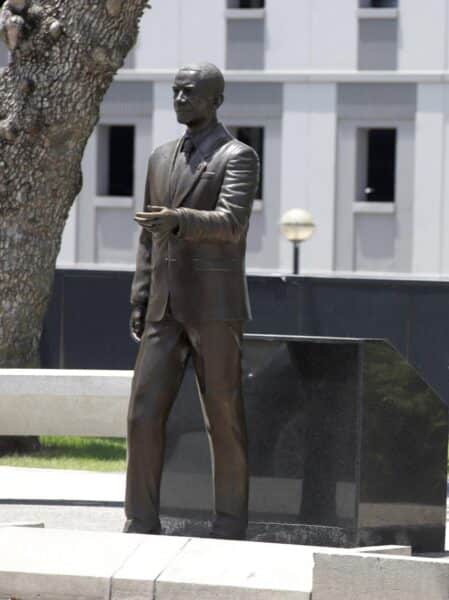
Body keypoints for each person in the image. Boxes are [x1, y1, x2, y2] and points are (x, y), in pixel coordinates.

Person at [124, 62, 260, 540]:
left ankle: (229, 523)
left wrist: (180, 218)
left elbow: (231, 223)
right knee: (142, 415)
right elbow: (147, 238)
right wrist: (140, 299)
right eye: (176, 91)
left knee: (222, 416)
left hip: (215, 308)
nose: (180, 99)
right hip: (163, 308)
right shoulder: (160, 158)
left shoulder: (237, 156)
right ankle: (140, 521)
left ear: (215, 100)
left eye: (190, 93)